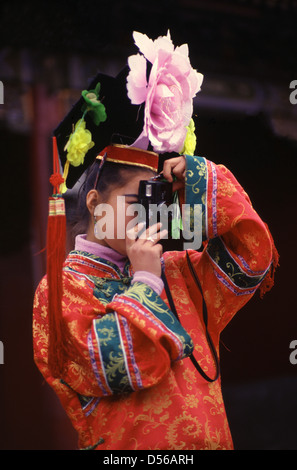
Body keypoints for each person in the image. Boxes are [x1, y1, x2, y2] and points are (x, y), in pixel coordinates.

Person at [33, 31, 278, 450]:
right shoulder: (61, 291)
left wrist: (196, 177)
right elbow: (110, 368)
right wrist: (145, 282)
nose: (147, 213)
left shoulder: (179, 273)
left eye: (155, 199)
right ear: (95, 202)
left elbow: (252, 257)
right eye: (134, 199)